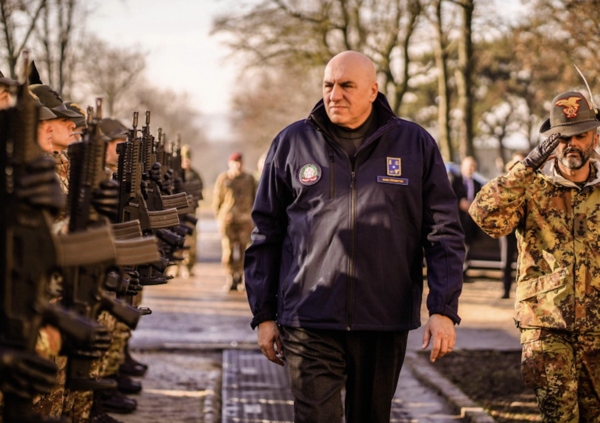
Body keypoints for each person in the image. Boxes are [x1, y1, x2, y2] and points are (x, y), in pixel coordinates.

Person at [244, 51, 465, 423]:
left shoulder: (414, 144)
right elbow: (266, 232)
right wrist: (264, 315)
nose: (334, 94)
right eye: (328, 85)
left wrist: (443, 308)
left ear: (373, 91)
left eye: (347, 86)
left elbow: (444, 233)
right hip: (308, 319)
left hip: (383, 319)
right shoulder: (292, 143)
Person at [470, 90, 600, 422]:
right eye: (562, 137)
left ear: (595, 138)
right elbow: (483, 215)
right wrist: (526, 166)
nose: (571, 144)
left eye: (580, 136)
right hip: (546, 327)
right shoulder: (532, 186)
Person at [213, 152, 256, 291]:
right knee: (228, 251)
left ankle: (243, 277)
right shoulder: (224, 179)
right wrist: (218, 219)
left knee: (245, 251)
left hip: (245, 221)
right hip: (228, 220)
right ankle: (231, 276)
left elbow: (256, 199)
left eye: (240, 162)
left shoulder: (249, 179)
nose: (238, 165)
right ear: (230, 163)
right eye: (235, 162)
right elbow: (217, 200)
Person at [498, 151, 526, 299]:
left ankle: (522, 291)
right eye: (516, 162)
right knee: (506, 260)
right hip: (508, 228)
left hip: (525, 229)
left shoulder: (532, 181)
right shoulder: (505, 181)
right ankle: (506, 289)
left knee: (524, 261)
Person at [450, 156, 482, 277]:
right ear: (462, 167)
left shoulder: (477, 184)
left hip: (470, 222)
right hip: (457, 220)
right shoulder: (455, 180)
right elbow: (448, 197)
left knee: (468, 247)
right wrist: (459, 203)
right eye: (469, 166)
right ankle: (455, 272)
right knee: (456, 247)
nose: (471, 168)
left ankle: (464, 272)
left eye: (473, 166)